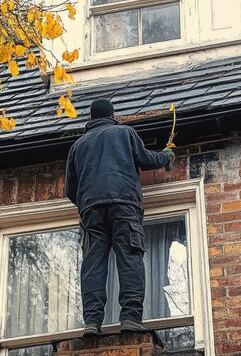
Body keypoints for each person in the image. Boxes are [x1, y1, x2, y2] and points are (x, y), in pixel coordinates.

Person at [65, 98, 176, 336]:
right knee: (129, 257)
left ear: (90, 118)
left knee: (93, 264)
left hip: (91, 211)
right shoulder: (124, 132)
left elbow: (69, 190)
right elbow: (146, 160)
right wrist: (166, 156)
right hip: (124, 204)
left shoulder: (78, 146)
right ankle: (130, 317)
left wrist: (88, 203)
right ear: (113, 115)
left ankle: (92, 322)